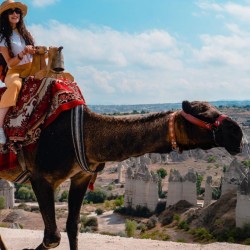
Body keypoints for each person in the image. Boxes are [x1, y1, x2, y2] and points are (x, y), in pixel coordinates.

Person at [0, 0, 35, 144]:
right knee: (15, 85)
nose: (15, 14)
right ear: (6, 15)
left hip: (32, 68)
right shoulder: (2, 37)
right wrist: (22, 53)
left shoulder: (26, 34)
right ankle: (0, 126)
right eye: (11, 11)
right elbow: (9, 62)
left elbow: (32, 55)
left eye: (17, 11)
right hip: (14, 70)